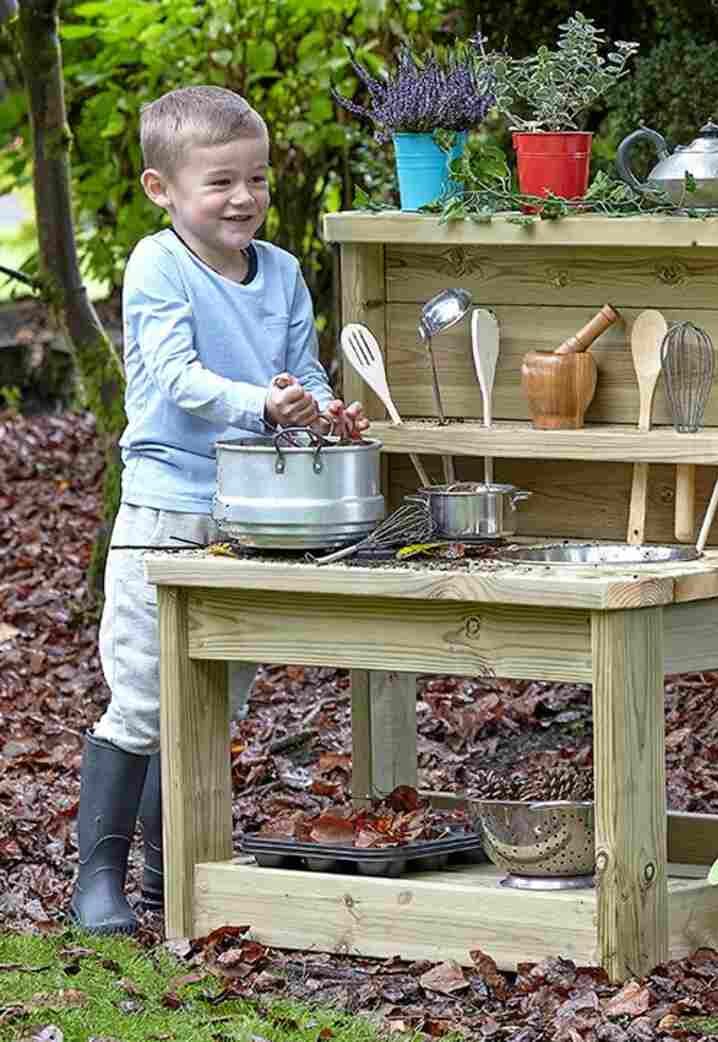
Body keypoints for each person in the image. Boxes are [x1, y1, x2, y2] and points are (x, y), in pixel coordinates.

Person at [71, 85, 368, 933]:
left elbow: (302, 372)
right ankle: (99, 883)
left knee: (213, 702)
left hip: (253, 519)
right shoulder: (157, 265)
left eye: (259, 180)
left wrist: (320, 408)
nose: (244, 198)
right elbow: (171, 376)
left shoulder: (280, 272)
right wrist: (260, 406)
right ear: (162, 188)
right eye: (222, 183)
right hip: (166, 513)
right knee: (142, 695)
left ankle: (176, 873)